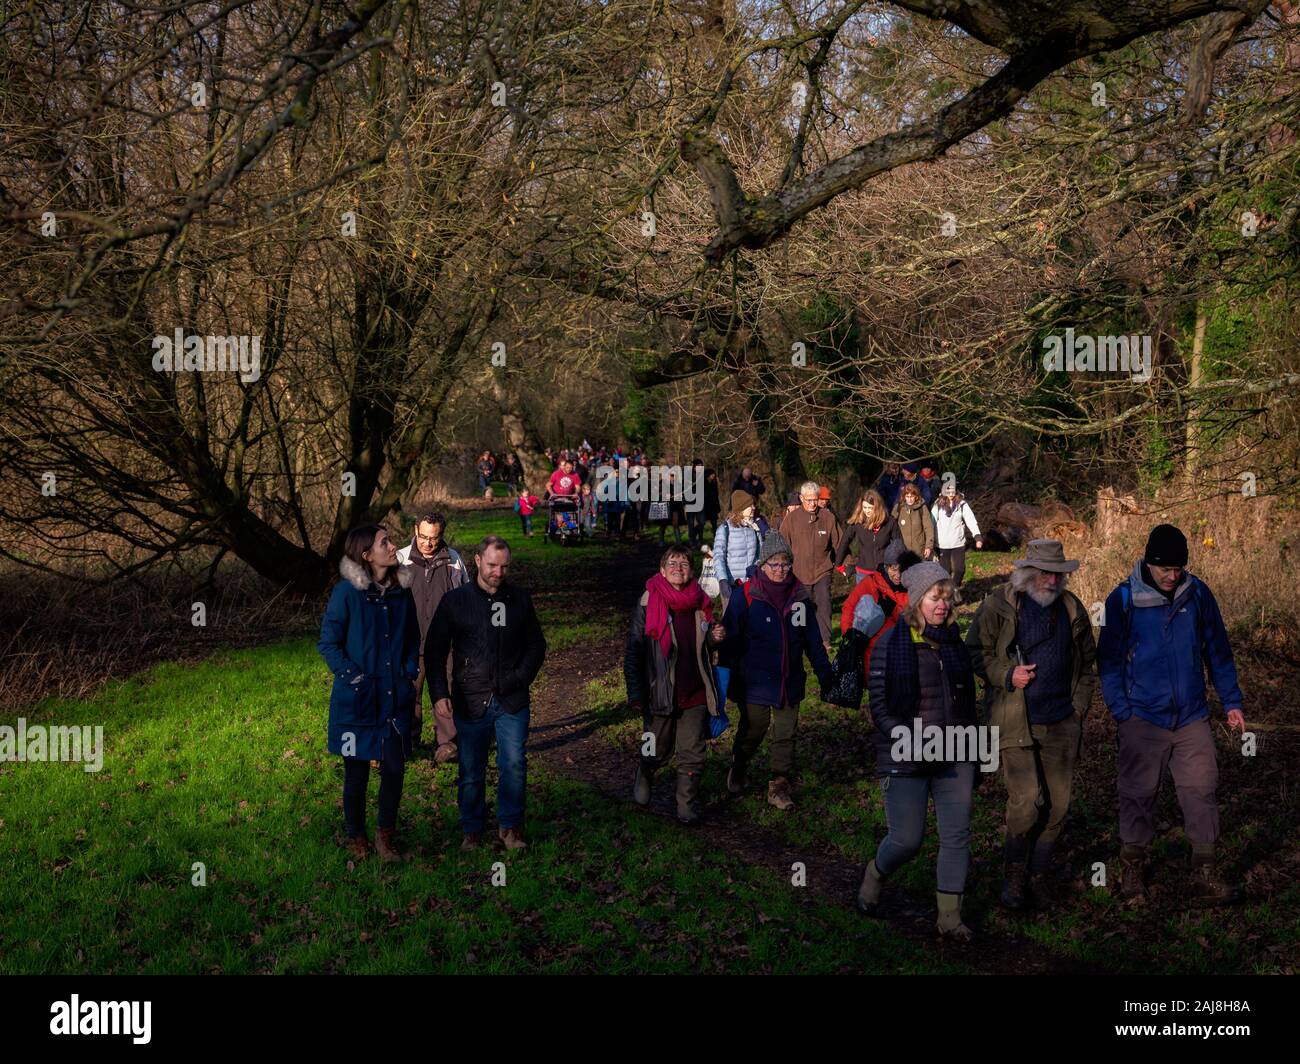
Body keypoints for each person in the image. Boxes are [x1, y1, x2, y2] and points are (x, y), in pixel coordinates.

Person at [1097, 524, 1245, 906]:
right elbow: (1108, 661)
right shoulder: (1123, 599)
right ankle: (1132, 871)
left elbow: (1218, 651)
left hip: (1192, 715)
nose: (1172, 575)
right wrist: (1122, 711)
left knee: (1201, 789)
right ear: (1149, 562)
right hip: (1142, 717)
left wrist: (1231, 701)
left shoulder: (1198, 595)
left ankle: (1205, 872)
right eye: (1166, 568)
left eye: (1179, 568)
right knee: (1137, 793)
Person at [966, 539, 1096, 910]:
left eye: (1058, 574)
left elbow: (1088, 664)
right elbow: (975, 651)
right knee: (1026, 803)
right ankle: (1013, 877)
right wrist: (1007, 675)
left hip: (1061, 722)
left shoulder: (1073, 609)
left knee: (1058, 807)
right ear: (1026, 574)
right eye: (1044, 574)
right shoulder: (999, 604)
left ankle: (1037, 877)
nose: (1051, 581)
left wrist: (1079, 707)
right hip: (1015, 719)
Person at [856, 561, 978, 940]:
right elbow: (880, 707)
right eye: (933, 597)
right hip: (905, 754)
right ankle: (874, 875)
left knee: (956, 835)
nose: (941, 605)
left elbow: (966, 701)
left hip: (955, 750)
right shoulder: (891, 645)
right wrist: (911, 741)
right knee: (907, 840)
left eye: (946, 598)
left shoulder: (956, 643)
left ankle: (949, 918)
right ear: (916, 601)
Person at [426, 536, 547, 851]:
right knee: (470, 769)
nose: (498, 572)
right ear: (477, 560)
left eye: (504, 566)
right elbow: (435, 650)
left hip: (512, 699)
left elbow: (536, 645)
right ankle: (472, 830)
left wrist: (520, 678)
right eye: (492, 565)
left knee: (514, 764)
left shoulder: (520, 599)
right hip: (470, 699)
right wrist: (439, 692)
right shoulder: (455, 602)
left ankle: (511, 828)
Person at [318, 524, 421, 863]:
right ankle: (356, 837)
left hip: (394, 697)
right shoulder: (347, 593)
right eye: (385, 542)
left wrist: (408, 675)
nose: (394, 546)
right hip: (358, 700)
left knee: (394, 768)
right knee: (357, 773)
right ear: (367, 555)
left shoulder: (401, 591)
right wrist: (355, 678)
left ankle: (385, 837)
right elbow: (328, 644)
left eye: (390, 540)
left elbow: (411, 640)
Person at [718, 533, 834, 812]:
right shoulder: (745, 595)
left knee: (785, 734)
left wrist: (826, 675)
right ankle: (740, 763)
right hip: (754, 680)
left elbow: (812, 642)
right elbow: (730, 640)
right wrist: (725, 679)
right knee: (754, 728)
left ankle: (778, 786)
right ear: (762, 565)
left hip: (788, 679)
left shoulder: (799, 598)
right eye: (774, 564)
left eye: (785, 564)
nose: (780, 570)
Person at [624, 547, 727, 824]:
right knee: (656, 748)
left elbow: (705, 643)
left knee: (692, 753)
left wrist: (715, 638)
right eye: (672, 562)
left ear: (692, 571)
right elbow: (634, 651)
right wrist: (635, 692)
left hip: (695, 690)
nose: (678, 567)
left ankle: (686, 804)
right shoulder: (648, 603)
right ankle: (645, 770)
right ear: (662, 569)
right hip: (660, 690)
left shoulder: (701, 601)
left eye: (684, 563)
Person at [396, 513, 467, 762]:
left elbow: (464, 600)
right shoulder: (399, 559)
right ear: (416, 530)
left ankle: (447, 745)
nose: (428, 543)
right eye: (423, 536)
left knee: (446, 691)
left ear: (442, 535)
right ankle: (408, 742)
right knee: (408, 693)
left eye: (434, 539)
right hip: (408, 642)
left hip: (445, 643)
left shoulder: (454, 561)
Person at [838, 541, 919, 678]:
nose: (898, 575)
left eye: (902, 569)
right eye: (893, 569)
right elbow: (849, 607)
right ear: (886, 567)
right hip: (874, 657)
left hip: (903, 655)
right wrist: (850, 636)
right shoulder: (871, 583)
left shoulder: (913, 588)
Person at [779, 480, 842, 651]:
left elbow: (840, 543)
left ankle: (825, 640)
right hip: (799, 572)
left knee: (824, 603)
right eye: (809, 500)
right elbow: (781, 544)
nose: (813, 503)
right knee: (799, 606)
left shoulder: (828, 517)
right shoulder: (791, 519)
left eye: (815, 499)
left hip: (823, 569)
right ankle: (798, 638)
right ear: (801, 498)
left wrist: (846, 563)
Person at [835, 489, 899, 584]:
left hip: (884, 572)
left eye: (870, 508)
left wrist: (899, 565)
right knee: (866, 599)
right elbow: (845, 540)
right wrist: (838, 564)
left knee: (883, 599)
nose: (867, 511)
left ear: (877, 507)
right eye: (864, 507)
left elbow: (898, 544)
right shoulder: (858, 522)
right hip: (863, 573)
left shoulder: (890, 522)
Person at [713, 490, 764, 609]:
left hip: (752, 585)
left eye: (753, 505)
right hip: (732, 586)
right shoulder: (725, 529)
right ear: (740, 508)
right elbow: (718, 557)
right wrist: (723, 580)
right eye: (750, 505)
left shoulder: (754, 528)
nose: (753, 508)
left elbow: (761, 554)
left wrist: (755, 569)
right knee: (733, 623)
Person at [931, 482, 984, 588]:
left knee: (960, 570)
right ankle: (947, 595)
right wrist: (929, 541)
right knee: (946, 572)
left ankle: (954, 589)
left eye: (953, 490)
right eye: (948, 491)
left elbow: (971, 520)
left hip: (958, 543)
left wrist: (977, 537)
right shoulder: (938, 504)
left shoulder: (962, 504)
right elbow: (931, 522)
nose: (951, 493)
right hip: (942, 544)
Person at [892, 481, 935, 560]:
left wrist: (928, 546)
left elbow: (928, 528)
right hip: (902, 550)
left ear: (916, 496)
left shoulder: (922, 508)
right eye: (907, 496)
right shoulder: (899, 508)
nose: (909, 499)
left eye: (912, 496)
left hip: (919, 551)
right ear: (904, 496)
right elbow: (891, 526)